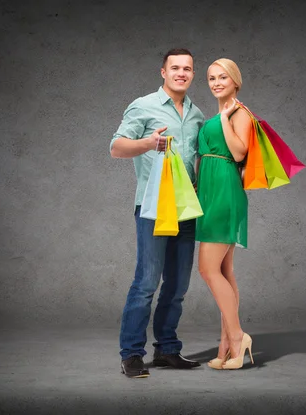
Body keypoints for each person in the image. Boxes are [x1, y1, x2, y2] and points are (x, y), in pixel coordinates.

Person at [109, 48, 205, 378]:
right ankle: (131, 354)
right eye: (175, 67)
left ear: (193, 74)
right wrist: (149, 143)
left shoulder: (196, 115)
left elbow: (198, 164)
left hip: (186, 210)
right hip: (152, 209)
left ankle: (167, 350)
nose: (181, 73)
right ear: (162, 72)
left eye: (187, 68)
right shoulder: (144, 105)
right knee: (146, 282)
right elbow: (116, 147)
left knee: (177, 285)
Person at [195, 58, 255, 370]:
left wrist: (223, 118)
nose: (217, 82)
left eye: (223, 77)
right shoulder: (216, 116)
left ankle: (237, 337)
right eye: (211, 78)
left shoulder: (240, 113)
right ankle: (226, 348)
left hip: (224, 193)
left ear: (235, 80)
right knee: (225, 271)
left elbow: (238, 152)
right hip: (208, 194)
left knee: (207, 269)